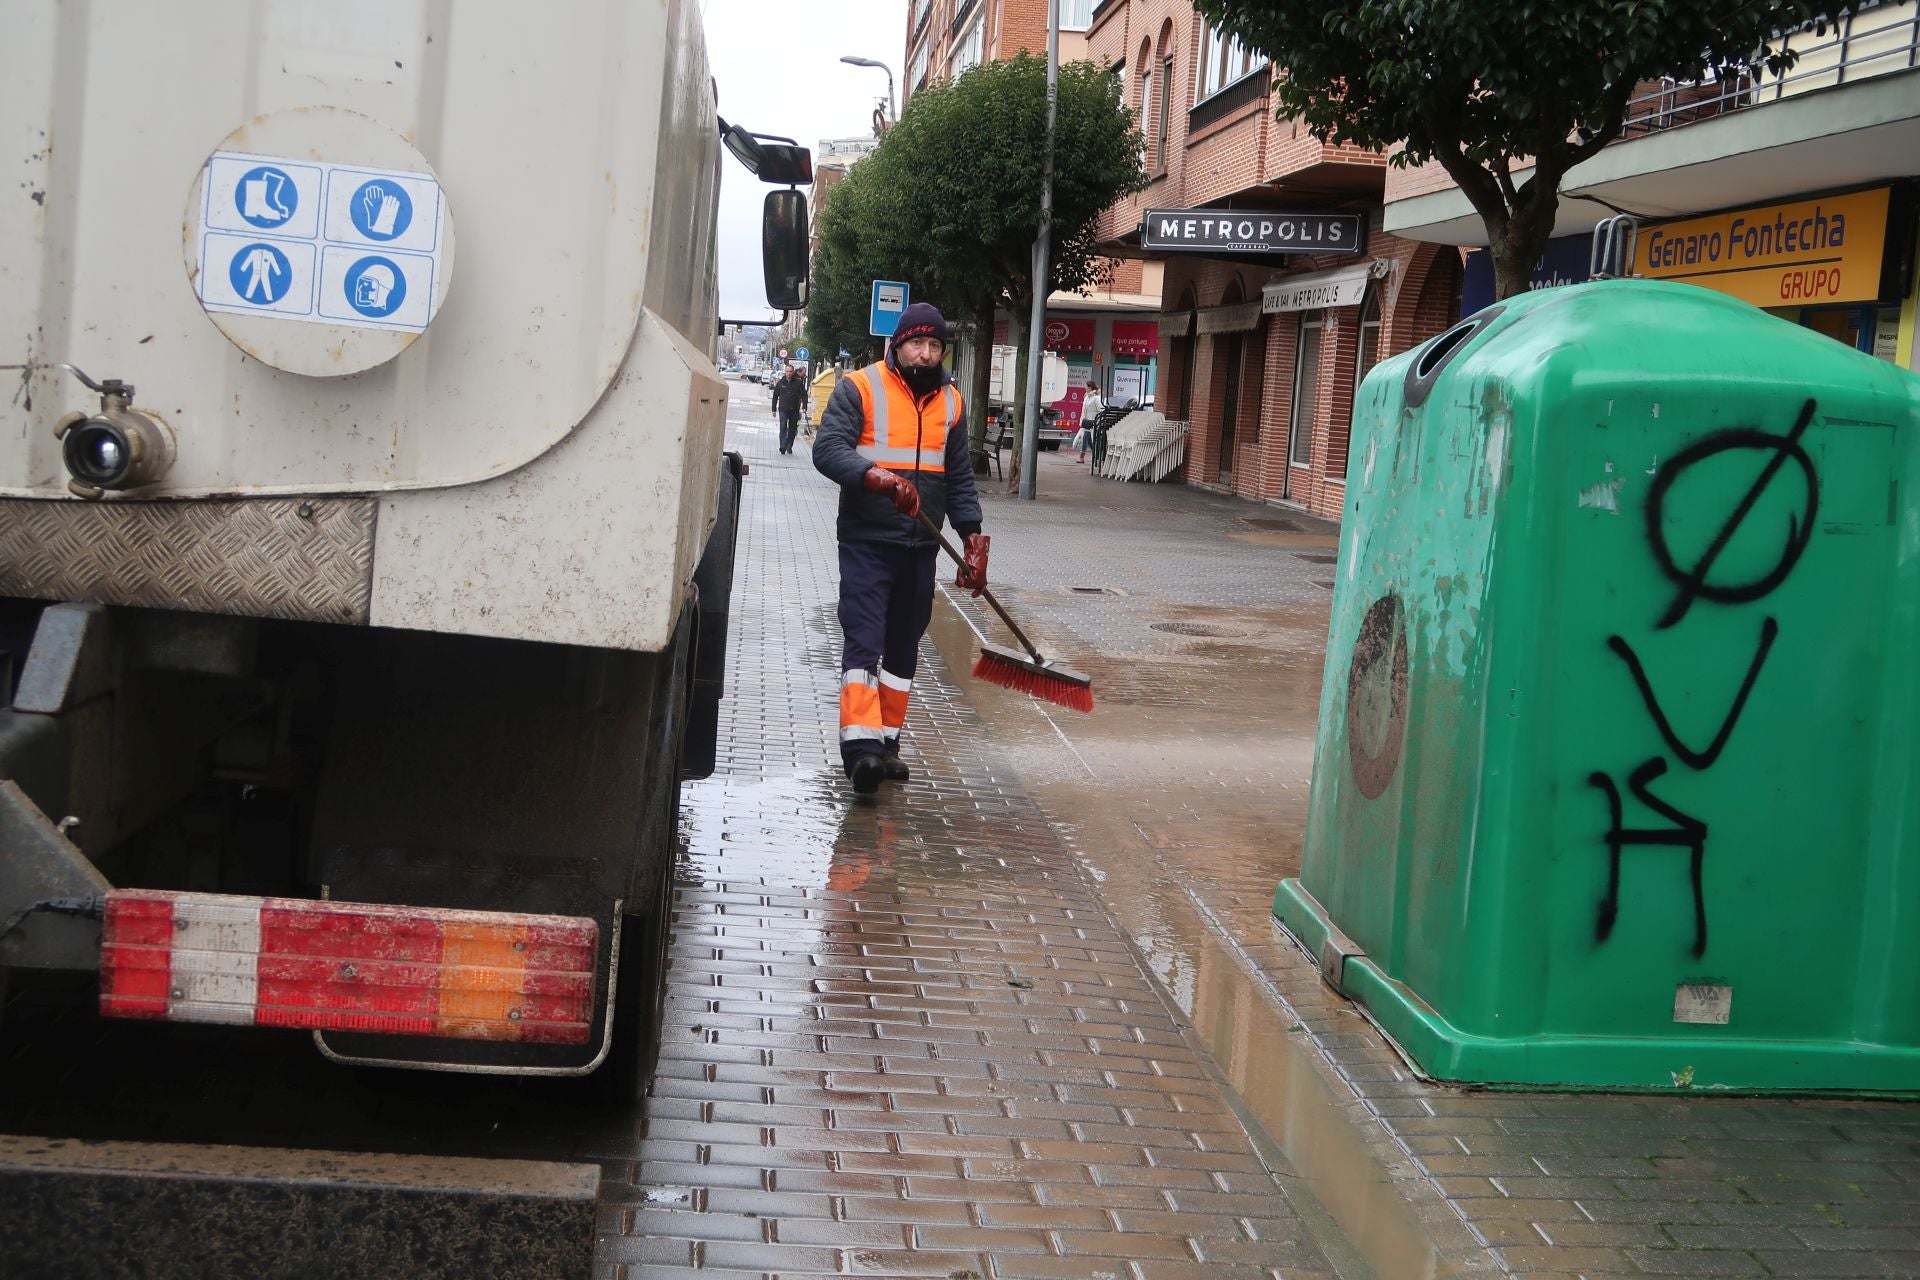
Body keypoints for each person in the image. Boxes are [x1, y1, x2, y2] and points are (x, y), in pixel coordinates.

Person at [813, 303, 988, 795]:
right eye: (917, 343)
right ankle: (860, 747)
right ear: (898, 344)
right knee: (865, 637)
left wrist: (972, 536)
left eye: (935, 345)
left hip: (920, 544)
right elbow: (827, 450)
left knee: (904, 646)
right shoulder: (860, 387)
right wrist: (877, 477)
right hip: (868, 538)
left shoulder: (951, 401)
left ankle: (887, 743)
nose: (926, 353)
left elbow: (959, 477)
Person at [771, 365, 808, 455]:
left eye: (790, 371)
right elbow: (775, 396)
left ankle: (789, 445)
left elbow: (804, 395)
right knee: (783, 427)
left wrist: (804, 406)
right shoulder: (781, 383)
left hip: (794, 409)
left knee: (792, 429)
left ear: (792, 372)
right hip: (783, 409)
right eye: (787, 371)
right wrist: (773, 409)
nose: (789, 373)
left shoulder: (798, 383)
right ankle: (782, 446)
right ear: (785, 371)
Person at [1076, 379, 1105, 463]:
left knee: (1085, 438)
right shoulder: (1086, 397)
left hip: (1093, 422)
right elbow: (1083, 411)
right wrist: (1081, 422)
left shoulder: (1096, 398)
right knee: (1088, 440)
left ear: (1090, 387)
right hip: (1086, 422)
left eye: (1086, 386)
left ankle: (1082, 457)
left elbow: (1101, 410)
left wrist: (1098, 422)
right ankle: (1097, 454)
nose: (1085, 388)